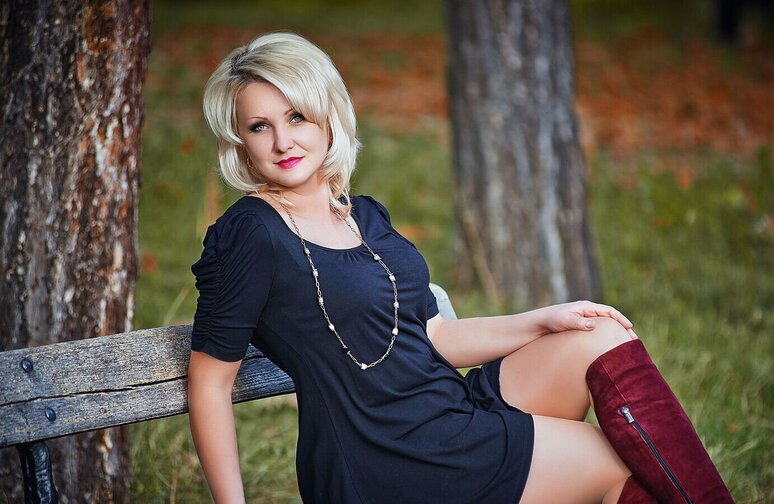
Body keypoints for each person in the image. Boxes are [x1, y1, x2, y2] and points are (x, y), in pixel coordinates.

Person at [186, 31, 733, 504]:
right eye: (259, 126)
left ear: (329, 117)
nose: (283, 141)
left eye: (297, 117)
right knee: (609, 462)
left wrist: (542, 320)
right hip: (383, 456)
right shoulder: (250, 234)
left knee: (600, 333)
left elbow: (434, 336)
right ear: (241, 142)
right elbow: (210, 383)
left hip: (446, 413)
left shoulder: (364, 216)